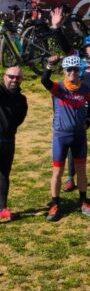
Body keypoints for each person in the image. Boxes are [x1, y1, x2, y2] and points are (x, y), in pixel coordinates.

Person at [51, 10, 90, 189]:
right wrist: (56, 28)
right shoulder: (80, 60)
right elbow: (65, 46)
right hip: (78, 106)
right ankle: (71, 178)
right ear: (85, 49)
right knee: (74, 140)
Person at [42, 55, 90, 221]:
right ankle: (55, 205)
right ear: (64, 71)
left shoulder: (84, 89)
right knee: (58, 171)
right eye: (69, 69)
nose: (72, 72)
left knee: (81, 171)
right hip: (61, 135)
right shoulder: (58, 88)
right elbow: (44, 81)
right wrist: (49, 65)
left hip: (79, 136)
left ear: (79, 71)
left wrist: (89, 120)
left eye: (75, 69)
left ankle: (84, 202)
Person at [0, 66, 28, 222]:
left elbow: (20, 119)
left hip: (9, 141)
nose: (14, 80)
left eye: (17, 77)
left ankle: (2, 208)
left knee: (4, 174)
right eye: (11, 76)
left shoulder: (21, 99)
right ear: (4, 77)